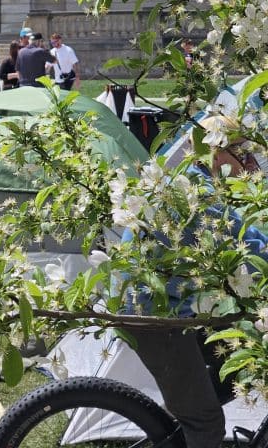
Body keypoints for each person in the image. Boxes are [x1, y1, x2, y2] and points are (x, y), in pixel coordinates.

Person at [125, 115, 266, 448]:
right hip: (155, 317)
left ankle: (178, 419)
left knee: (234, 359)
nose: (249, 161)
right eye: (241, 152)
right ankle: (192, 420)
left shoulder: (193, 179)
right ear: (216, 154)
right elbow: (254, 252)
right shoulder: (195, 197)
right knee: (206, 422)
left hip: (177, 305)